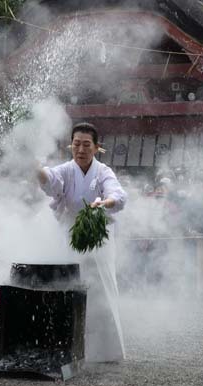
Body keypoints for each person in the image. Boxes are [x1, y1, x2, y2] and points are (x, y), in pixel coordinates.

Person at [37, 122, 127, 362]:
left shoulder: (104, 171)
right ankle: (68, 346)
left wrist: (103, 203)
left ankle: (106, 350)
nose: (81, 149)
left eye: (87, 144)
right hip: (71, 236)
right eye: (77, 144)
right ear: (71, 145)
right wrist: (36, 168)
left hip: (99, 236)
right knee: (69, 287)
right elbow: (50, 180)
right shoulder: (66, 170)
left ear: (97, 148)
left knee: (103, 289)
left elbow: (117, 195)